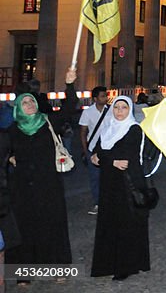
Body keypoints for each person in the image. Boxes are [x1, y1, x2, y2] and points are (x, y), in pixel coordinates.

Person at [7, 67, 79, 277]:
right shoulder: (12, 130)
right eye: (24, 103)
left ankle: (56, 269)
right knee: (25, 226)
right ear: (18, 107)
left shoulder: (48, 122)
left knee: (52, 224)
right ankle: (24, 273)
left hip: (49, 184)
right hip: (23, 186)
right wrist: (8, 158)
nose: (29, 105)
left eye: (31, 101)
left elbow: (69, 107)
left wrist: (69, 84)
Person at [89, 95, 151, 281]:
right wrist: (104, 158)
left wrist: (104, 158)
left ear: (130, 110)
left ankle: (127, 265)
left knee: (127, 223)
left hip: (128, 183)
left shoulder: (134, 129)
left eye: (124, 107)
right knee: (110, 221)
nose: (119, 111)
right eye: (117, 108)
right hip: (110, 182)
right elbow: (99, 152)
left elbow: (125, 157)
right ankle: (108, 262)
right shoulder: (108, 128)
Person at [79, 86, 110, 215]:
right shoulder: (87, 112)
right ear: (95, 98)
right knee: (95, 177)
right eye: (102, 96)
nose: (105, 98)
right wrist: (86, 151)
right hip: (93, 149)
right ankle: (98, 203)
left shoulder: (111, 110)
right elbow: (83, 132)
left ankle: (109, 202)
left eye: (106, 95)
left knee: (109, 177)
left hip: (108, 148)